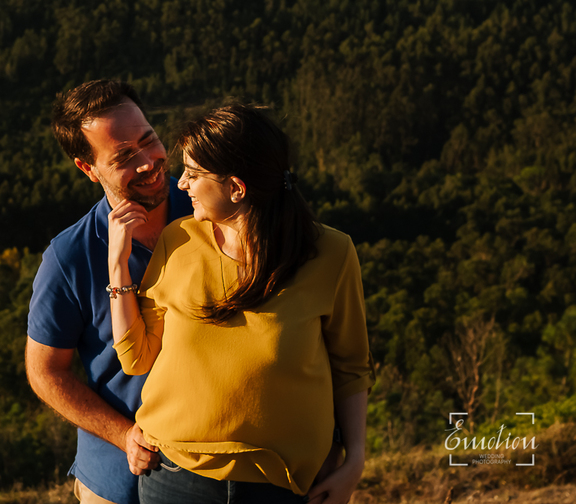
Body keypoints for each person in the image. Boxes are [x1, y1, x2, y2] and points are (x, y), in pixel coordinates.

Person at [108, 103, 372, 504]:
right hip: (175, 476)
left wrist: (354, 463)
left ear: (236, 187)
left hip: (283, 484)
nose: (182, 185)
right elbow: (136, 358)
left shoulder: (331, 253)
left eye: (194, 175)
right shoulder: (177, 240)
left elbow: (350, 366)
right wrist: (118, 266)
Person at [26, 80, 195, 504]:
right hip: (120, 484)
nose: (148, 162)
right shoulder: (69, 257)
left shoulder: (206, 207)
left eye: (149, 140)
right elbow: (45, 372)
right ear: (88, 168)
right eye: (123, 156)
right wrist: (124, 436)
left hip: (213, 474)